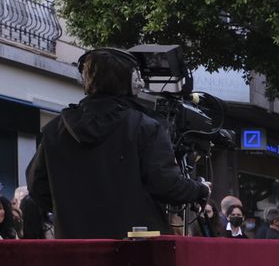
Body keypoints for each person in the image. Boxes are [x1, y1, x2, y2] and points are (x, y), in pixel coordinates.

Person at [26, 49, 210, 238]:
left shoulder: (53, 130)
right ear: (133, 81)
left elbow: (37, 187)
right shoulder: (144, 127)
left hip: (74, 248)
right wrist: (199, 189)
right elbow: (166, 184)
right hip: (134, 248)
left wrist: (73, 210)